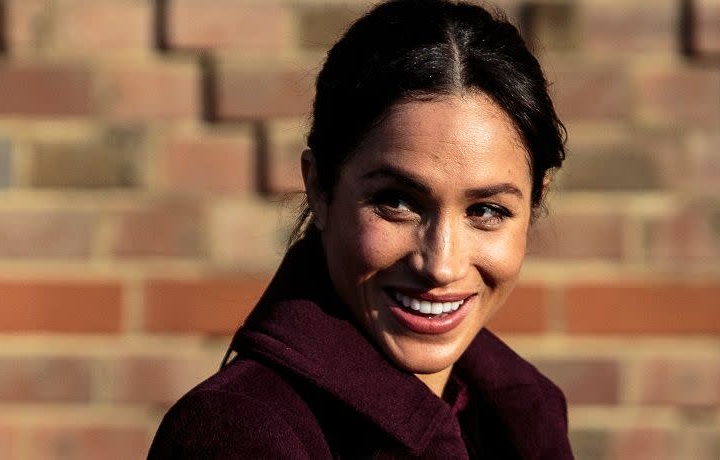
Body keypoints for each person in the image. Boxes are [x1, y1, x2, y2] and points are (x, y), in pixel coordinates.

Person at [148, 0, 572, 458]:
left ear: (536, 200)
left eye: (487, 210)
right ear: (319, 187)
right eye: (397, 202)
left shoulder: (521, 420)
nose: (442, 265)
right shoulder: (241, 435)